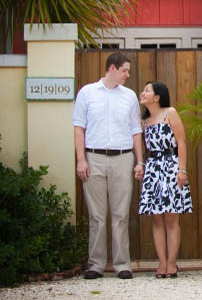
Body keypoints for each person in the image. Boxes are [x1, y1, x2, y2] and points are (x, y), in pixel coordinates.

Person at [73, 52, 145, 280]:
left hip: (123, 159)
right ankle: (95, 265)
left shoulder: (130, 96)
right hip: (93, 158)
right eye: (125, 70)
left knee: (121, 215)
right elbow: (78, 128)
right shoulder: (87, 93)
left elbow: (136, 130)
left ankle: (123, 265)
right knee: (96, 216)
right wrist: (81, 159)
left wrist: (139, 160)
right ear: (112, 68)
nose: (127, 74)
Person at [138, 81, 193, 279]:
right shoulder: (144, 121)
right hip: (153, 169)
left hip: (171, 167)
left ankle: (172, 263)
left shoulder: (170, 113)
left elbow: (181, 141)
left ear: (157, 96)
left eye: (147, 90)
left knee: (171, 217)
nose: (142, 93)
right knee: (156, 218)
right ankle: (161, 263)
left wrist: (182, 169)